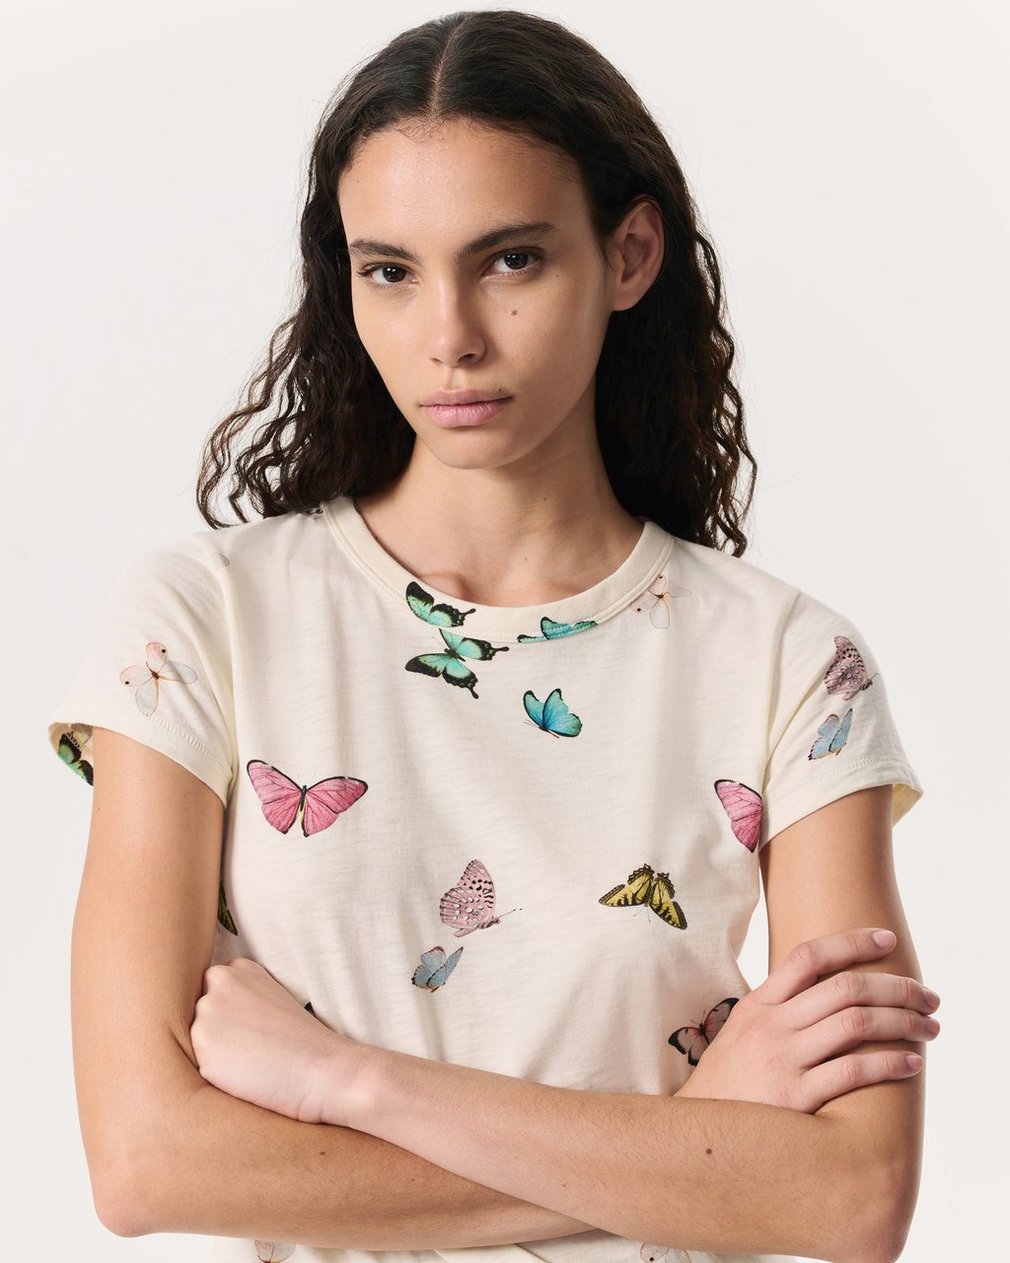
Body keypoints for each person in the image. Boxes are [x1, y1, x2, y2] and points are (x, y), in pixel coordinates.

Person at [48, 10, 938, 1263]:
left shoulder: (790, 664)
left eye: (509, 260)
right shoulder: (203, 621)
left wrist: (348, 1082)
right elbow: (146, 1162)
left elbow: (848, 1200)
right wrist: (695, 1137)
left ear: (628, 255)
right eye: (389, 271)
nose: (448, 335)